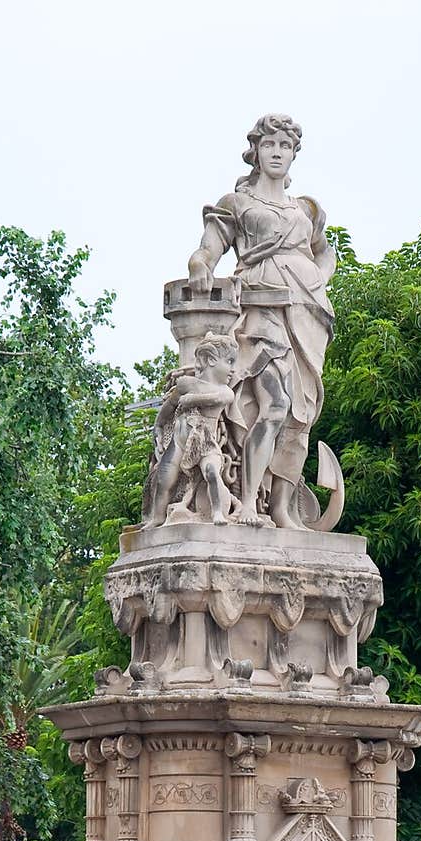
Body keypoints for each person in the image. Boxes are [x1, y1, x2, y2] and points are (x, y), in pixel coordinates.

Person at [186, 113, 337, 529]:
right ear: (255, 150)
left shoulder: (306, 209)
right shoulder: (238, 203)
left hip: (307, 313)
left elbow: (325, 252)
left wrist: (317, 280)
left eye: (285, 146)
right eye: (269, 145)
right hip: (260, 309)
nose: (277, 153)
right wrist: (200, 264)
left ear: (293, 154)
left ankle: (282, 509)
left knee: (299, 414)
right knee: (274, 404)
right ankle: (250, 502)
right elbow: (208, 248)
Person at [144, 332, 241, 527]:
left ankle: (217, 513)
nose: (233, 369)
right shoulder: (186, 383)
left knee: (212, 472)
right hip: (180, 439)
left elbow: (211, 400)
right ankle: (157, 517)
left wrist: (190, 399)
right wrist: (159, 426)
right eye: (229, 361)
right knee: (164, 478)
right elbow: (168, 408)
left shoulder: (226, 391)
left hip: (206, 443)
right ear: (211, 360)